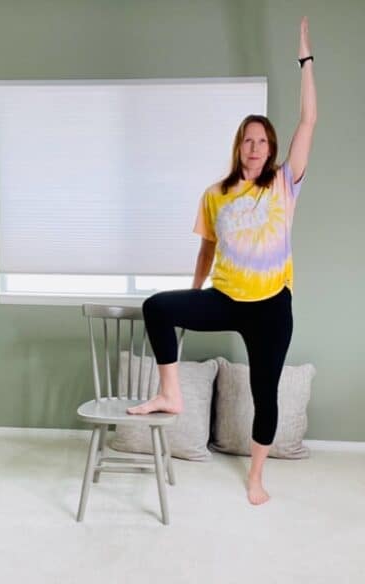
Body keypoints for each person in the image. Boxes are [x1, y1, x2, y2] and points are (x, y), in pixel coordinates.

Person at [127, 16, 317, 506]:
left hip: (272, 305)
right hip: (226, 298)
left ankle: (256, 477)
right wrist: (194, 292)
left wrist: (305, 60)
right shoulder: (216, 194)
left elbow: (309, 121)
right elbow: (207, 249)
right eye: (247, 140)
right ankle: (171, 393)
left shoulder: (283, 183)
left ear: (271, 149)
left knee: (265, 393)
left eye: (262, 141)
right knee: (158, 307)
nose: (254, 148)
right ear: (238, 147)